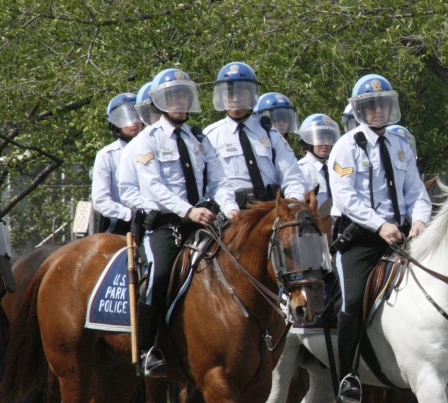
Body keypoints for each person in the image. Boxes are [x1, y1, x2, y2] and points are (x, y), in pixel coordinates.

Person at [118, 68, 239, 377]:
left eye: (184, 97)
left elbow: (220, 180)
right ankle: (148, 349)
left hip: (204, 220)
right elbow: (152, 187)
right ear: (159, 102)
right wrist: (188, 211)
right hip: (167, 224)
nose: (180, 103)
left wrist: (231, 207)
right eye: (173, 98)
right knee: (158, 277)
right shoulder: (147, 140)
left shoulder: (199, 138)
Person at [329, 74, 432, 403]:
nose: (378, 110)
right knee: (354, 300)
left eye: (383, 104)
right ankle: (347, 376)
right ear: (360, 110)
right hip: (360, 239)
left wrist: (419, 221)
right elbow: (345, 198)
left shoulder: (401, 145)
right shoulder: (345, 147)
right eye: (371, 105)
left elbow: (417, 192)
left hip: (402, 237)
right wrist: (379, 226)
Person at [204, 63, 305, 207]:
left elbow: (292, 176)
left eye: (240, 92)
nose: (235, 98)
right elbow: (207, 183)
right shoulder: (210, 136)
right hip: (233, 213)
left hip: (271, 212)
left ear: (251, 95)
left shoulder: (271, 134)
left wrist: (294, 202)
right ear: (221, 97)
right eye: (230, 93)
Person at [91, 93, 142, 234]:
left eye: (137, 115)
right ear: (115, 123)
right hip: (121, 225)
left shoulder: (156, 148)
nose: (134, 121)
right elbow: (100, 200)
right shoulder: (107, 155)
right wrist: (130, 214)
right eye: (127, 117)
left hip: (157, 221)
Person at [297, 113, 341, 207]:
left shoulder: (336, 168)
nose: (325, 143)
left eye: (329, 138)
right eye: (320, 138)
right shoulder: (300, 170)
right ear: (307, 141)